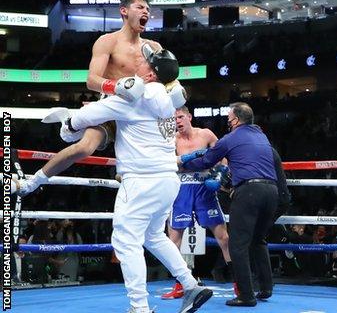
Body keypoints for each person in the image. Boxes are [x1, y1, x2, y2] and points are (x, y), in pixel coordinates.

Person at [56, 51, 211, 313]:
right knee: (153, 236)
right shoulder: (167, 101)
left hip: (142, 181)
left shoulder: (134, 98)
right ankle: (190, 284)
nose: (138, 63)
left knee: (126, 241)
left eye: (144, 62)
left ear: (150, 73)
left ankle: (139, 307)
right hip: (166, 180)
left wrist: (67, 123)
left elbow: (89, 116)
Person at [12, 0, 166, 196]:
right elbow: (92, 81)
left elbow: (166, 79)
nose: (145, 11)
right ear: (124, 11)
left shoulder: (154, 47)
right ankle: (32, 182)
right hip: (114, 104)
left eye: (148, 9)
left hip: (141, 112)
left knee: (152, 158)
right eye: (140, 7)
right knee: (85, 148)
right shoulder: (107, 42)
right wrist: (118, 86)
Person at [179, 102, 278, 307]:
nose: (228, 123)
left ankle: (246, 295)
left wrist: (184, 163)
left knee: (237, 245)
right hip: (272, 191)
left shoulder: (231, 138)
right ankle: (266, 288)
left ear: (235, 120)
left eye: (229, 119)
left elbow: (207, 161)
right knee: (258, 240)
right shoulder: (261, 136)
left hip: (249, 191)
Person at [161, 106, 231, 299]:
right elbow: (164, 161)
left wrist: (221, 173)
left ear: (189, 116)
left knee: (223, 238)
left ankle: (238, 283)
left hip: (204, 187)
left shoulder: (206, 134)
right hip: (181, 188)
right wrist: (184, 158)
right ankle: (179, 285)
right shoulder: (171, 139)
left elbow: (223, 156)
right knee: (173, 241)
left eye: (180, 117)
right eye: (174, 119)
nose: (177, 121)